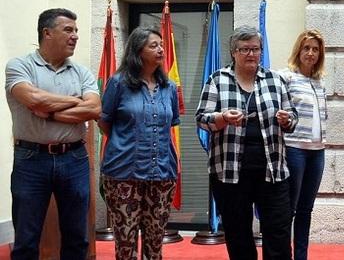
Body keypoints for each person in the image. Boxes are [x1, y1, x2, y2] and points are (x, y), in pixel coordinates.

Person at [5, 8, 101, 260]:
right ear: (47, 33)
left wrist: (47, 111)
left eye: (76, 30)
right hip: (31, 159)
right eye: (68, 30)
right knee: (26, 239)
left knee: (77, 238)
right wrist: (74, 101)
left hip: (75, 159)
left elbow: (93, 108)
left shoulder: (82, 72)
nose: (75, 36)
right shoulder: (19, 65)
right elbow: (33, 97)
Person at [196, 26, 298, 260]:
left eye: (255, 49)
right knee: (239, 237)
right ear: (234, 52)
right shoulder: (217, 80)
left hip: (273, 173)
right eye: (245, 49)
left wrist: (287, 119)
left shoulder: (275, 80)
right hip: (230, 175)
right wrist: (222, 118)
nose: (251, 54)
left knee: (279, 235)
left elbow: (293, 116)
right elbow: (201, 118)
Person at [98, 27, 181, 260]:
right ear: (137, 50)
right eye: (153, 45)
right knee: (126, 241)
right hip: (124, 172)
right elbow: (104, 123)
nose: (161, 49)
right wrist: (127, 142)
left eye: (161, 44)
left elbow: (171, 123)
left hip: (162, 172)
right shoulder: (118, 83)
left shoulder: (169, 88)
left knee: (155, 240)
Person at [280, 29, 328, 260]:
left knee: (306, 210)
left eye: (315, 49)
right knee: (289, 209)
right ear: (298, 50)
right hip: (294, 149)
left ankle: (301, 256)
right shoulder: (286, 77)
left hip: (317, 151)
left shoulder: (320, 82)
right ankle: (282, 255)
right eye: (306, 48)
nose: (310, 53)